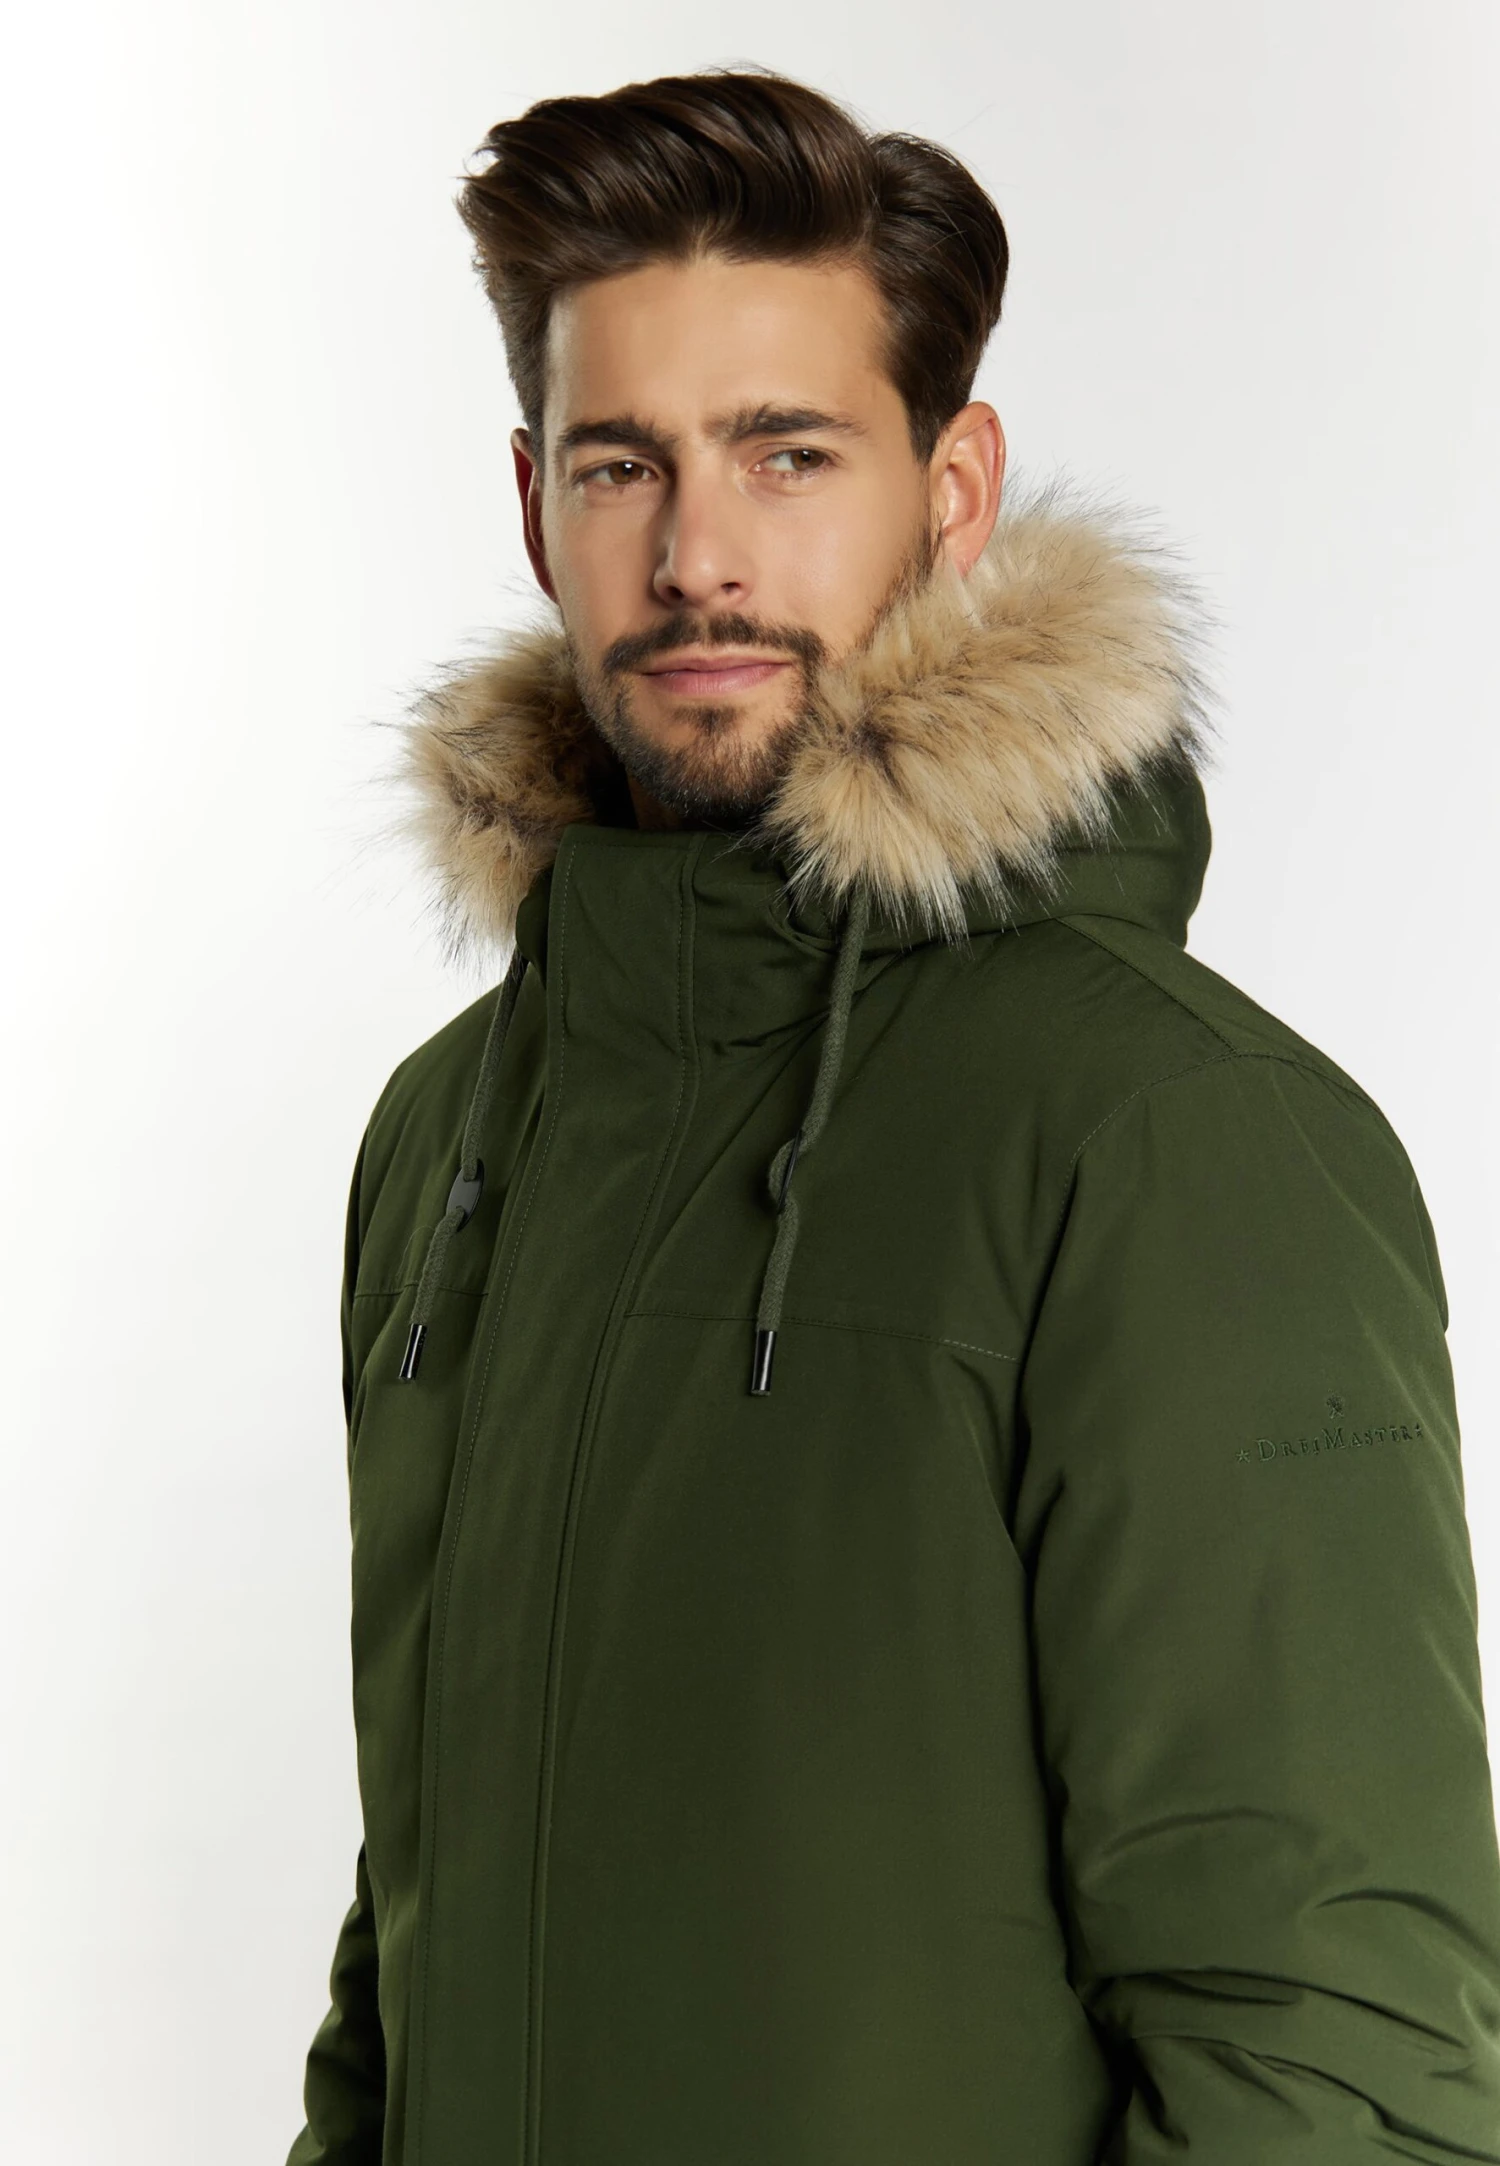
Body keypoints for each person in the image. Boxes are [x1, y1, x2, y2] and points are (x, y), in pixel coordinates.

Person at [285, 65, 1500, 2166]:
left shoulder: (1166, 1139)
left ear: (952, 491)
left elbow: (1339, 2074)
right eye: (623, 465)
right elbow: (422, 1941)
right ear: (534, 504)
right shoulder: (454, 1142)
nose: (697, 558)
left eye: (787, 454)